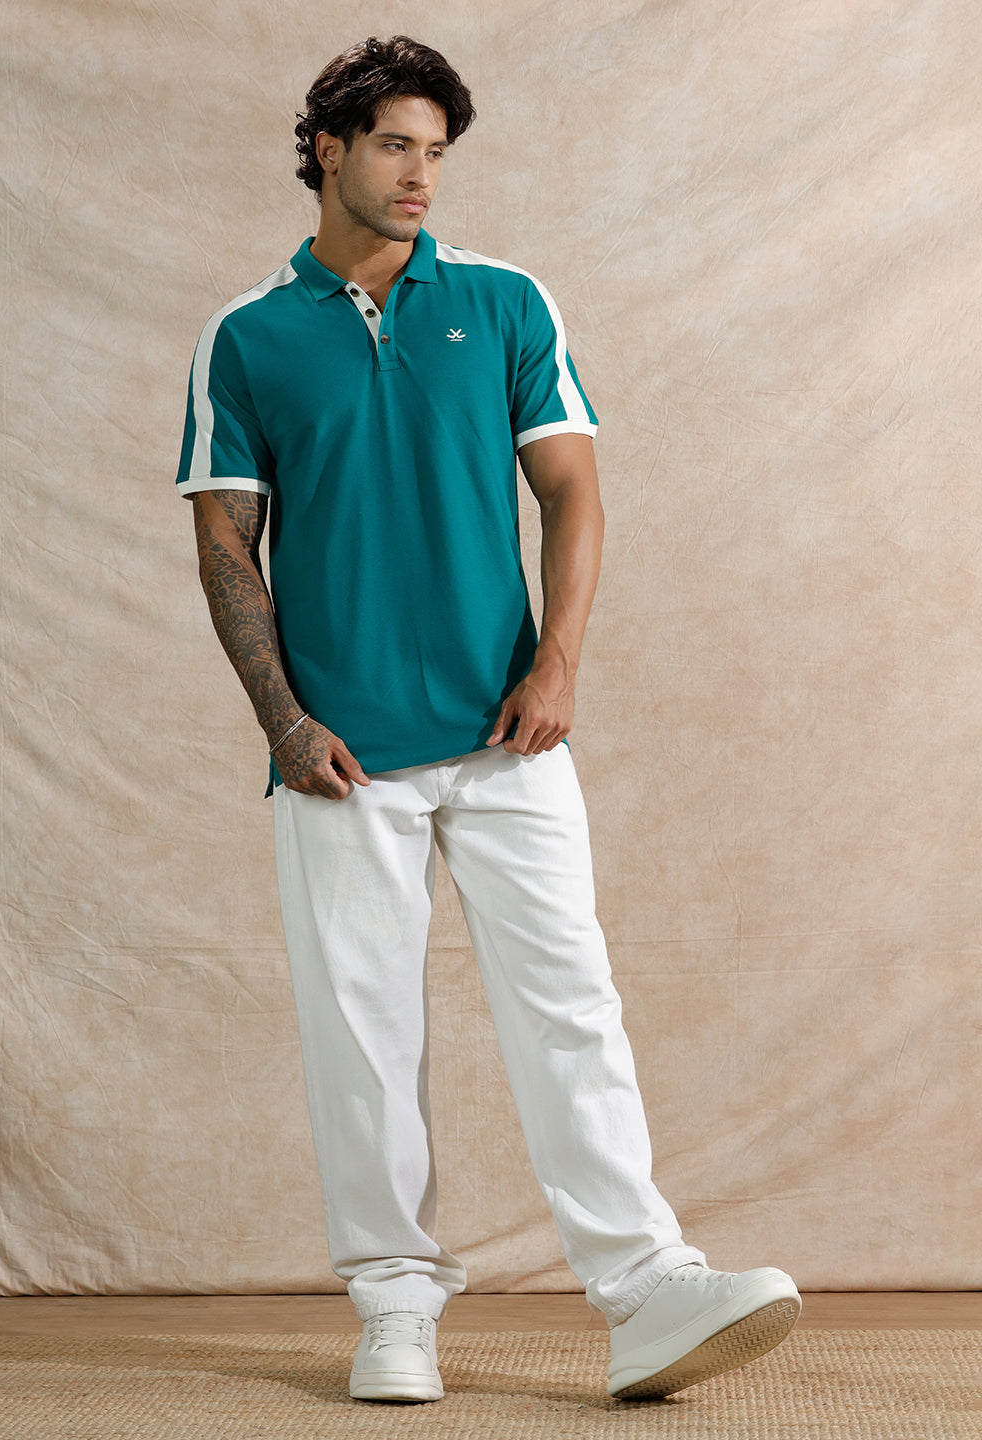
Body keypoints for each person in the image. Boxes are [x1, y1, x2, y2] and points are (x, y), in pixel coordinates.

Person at [176, 34, 801, 1405]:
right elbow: (226, 543)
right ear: (328, 151)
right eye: (394, 146)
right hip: (341, 755)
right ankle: (394, 1308)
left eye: (436, 152)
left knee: (571, 1002)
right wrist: (283, 720)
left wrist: (558, 663)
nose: (420, 175)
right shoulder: (249, 336)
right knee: (362, 1034)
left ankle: (647, 1288)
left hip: (508, 731)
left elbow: (572, 492)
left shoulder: (507, 303)